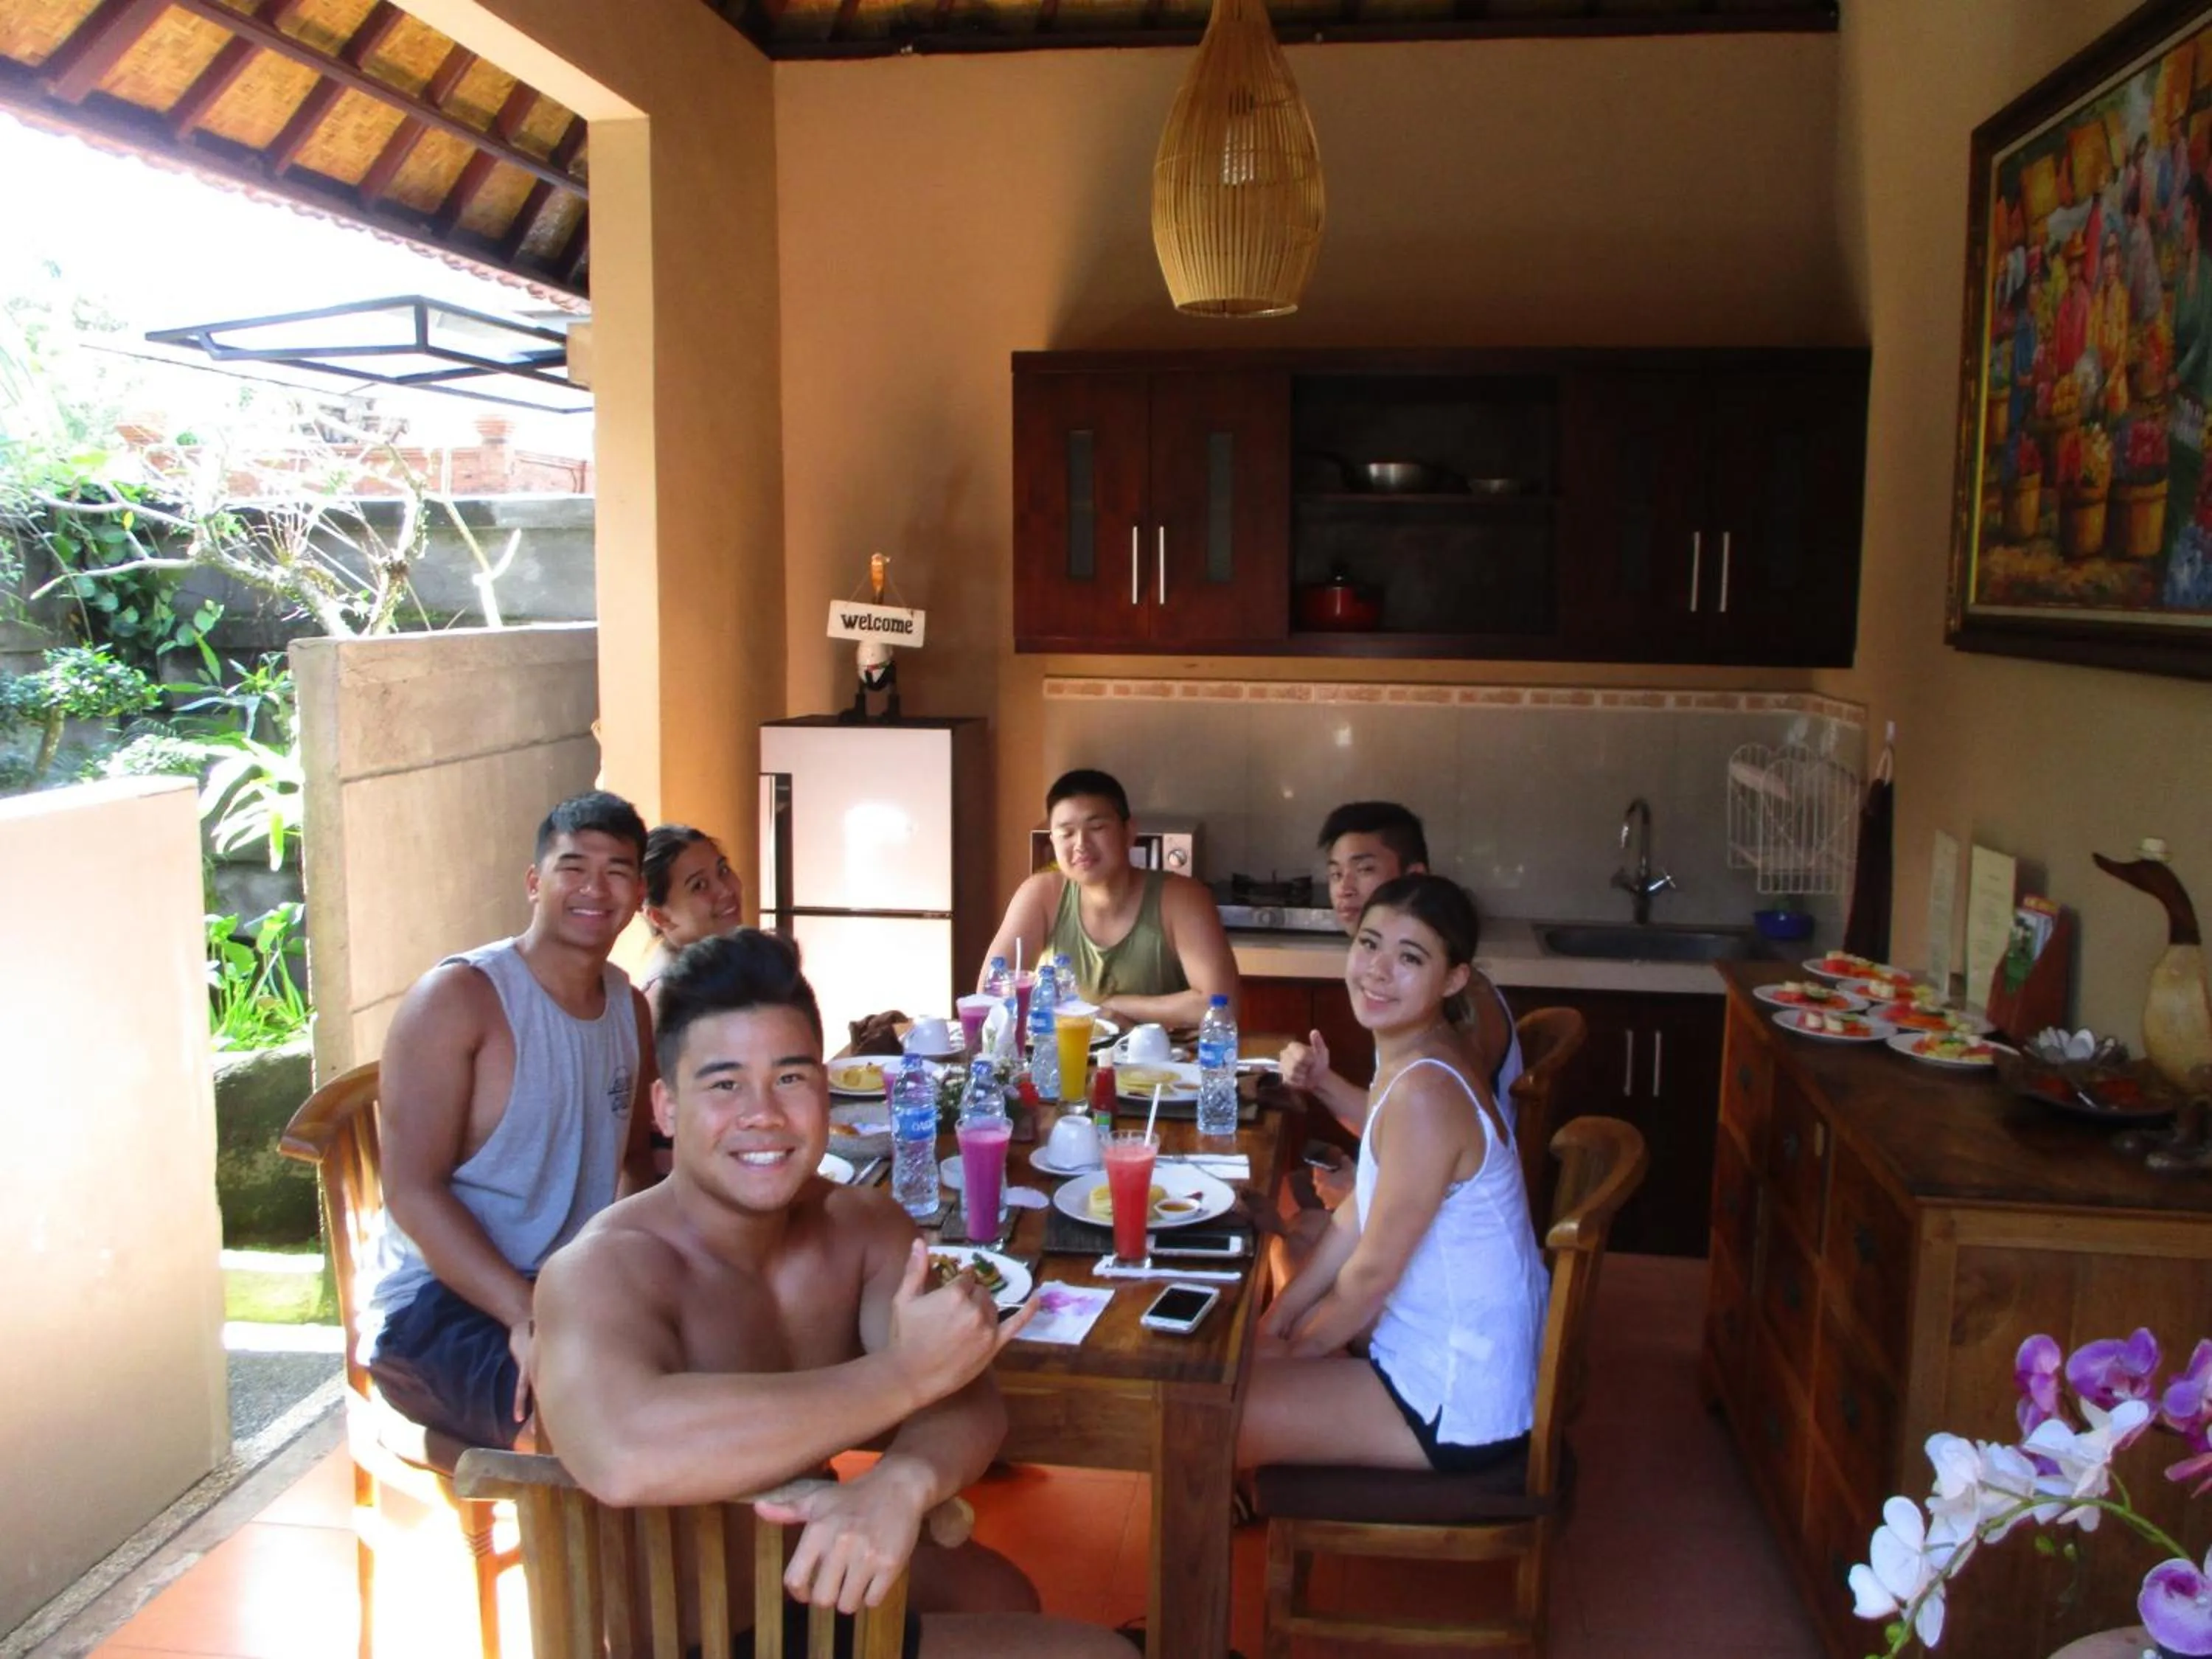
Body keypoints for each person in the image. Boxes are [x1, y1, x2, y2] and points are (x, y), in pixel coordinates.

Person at [531, 931, 1130, 1659]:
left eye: (790, 1078)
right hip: (687, 1633)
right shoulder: (601, 1270)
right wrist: (902, 1376)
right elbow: (623, 1449)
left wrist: (903, 1481)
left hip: (803, 1578)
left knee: (998, 1594)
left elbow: (966, 1395)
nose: (764, 1114)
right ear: (664, 1106)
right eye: (724, 1085)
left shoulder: (861, 1225)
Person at [363, 790, 658, 1452]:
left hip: (565, 1290)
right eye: (572, 867)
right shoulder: (460, 998)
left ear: (638, 893)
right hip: (437, 1304)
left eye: (616, 871)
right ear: (534, 882)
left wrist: (632, 1273)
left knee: (732, 1341)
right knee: (583, 1427)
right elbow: (412, 1190)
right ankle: (598, 1555)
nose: (594, 888)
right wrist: (525, 1315)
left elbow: (634, 1165)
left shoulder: (628, 1008)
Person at [1237, 874, 1547, 1478]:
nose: (1378, 970)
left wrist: (1294, 1354)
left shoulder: (1426, 1091)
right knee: (1247, 1353)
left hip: (1456, 1403)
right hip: (1442, 1362)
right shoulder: (1415, 1053)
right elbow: (1354, 1217)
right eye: (1369, 944)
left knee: (1207, 1412)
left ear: (1454, 978)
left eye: (1409, 957)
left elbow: (1372, 1275)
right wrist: (1273, 1325)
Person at [979, 768, 1238, 1029]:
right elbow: (989, 996)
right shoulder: (1041, 895)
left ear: (1129, 832)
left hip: (1162, 1063)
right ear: (1052, 842)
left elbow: (1221, 1005)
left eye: (1097, 827)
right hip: (1064, 1059)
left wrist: (1115, 1006)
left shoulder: (1182, 899)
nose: (1081, 844)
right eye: (1067, 833)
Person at [639, 824, 745, 1010]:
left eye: (723, 871)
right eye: (700, 885)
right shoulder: (668, 996)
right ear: (660, 916)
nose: (726, 890)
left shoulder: (726, 964)